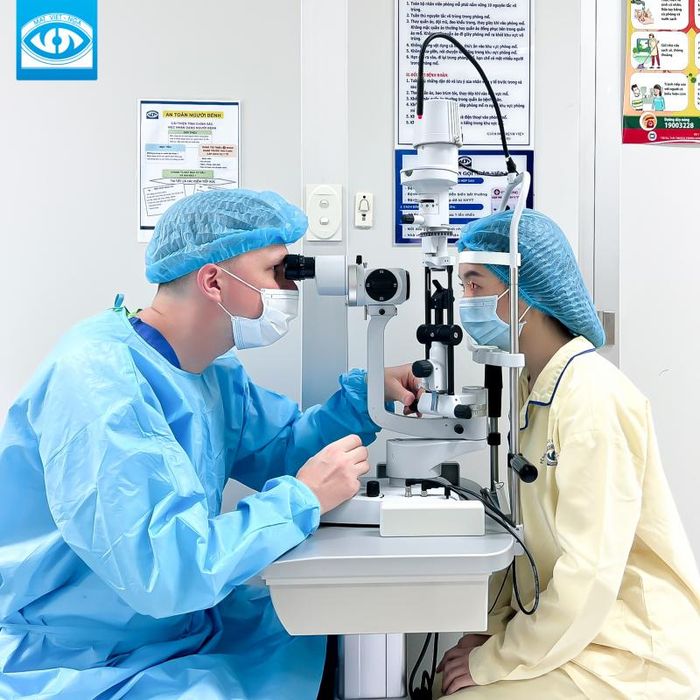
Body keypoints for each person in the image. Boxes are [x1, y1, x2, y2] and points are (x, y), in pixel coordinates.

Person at [0, 189, 421, 699]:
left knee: (330, 627)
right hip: (80, 654)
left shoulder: (210, 373)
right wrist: (303, 498)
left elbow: (286, 448)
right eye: (276, 271)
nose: (290, 288)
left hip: (177, 624)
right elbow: (162, 571)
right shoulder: (97, 382)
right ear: (214, 281)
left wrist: (367, 399)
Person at [435, 209, 700, 698]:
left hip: (628, 649)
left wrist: (497, 660)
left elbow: (589, 573)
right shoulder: (531, 385)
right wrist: (492, 631)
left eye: (475, 284)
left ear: (523, 291)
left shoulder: (592, 398)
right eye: (462, 285)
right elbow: (525, 541)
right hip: (576, 631)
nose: (465, 301)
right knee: (443, 682)